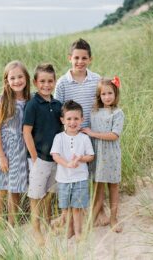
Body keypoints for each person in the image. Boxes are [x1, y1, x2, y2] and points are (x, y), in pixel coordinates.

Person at [54, 38, 108, 225]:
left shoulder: (96, 79)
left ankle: (98, 210)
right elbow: (58, 110)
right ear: (70, 58)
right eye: (76, 57)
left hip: (94, 133)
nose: (80, 61)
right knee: (71, 173)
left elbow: (103, 103)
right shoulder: (62, 83)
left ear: (90, 59)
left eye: (84, 58)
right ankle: (65, 213)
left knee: (96, 173)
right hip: (72, 137)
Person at [23, 63, 62, 246]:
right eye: (42, 81)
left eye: (50, 81)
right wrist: (34, 157)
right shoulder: (32, 104)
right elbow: (26, 132)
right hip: (38, 158)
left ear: (54, 81)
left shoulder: (57, 104)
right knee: (36, 195)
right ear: (36, 82)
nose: (46, 85)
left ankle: (47, 222)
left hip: (54, 158)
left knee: (50, 193)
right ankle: (36, 228)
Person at [0, 60, 30, 228]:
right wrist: (2, 156)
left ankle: (13, 225)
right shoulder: (4, 101)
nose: (17, 81)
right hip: (5, 150)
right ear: (7, 80)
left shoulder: (29, 100)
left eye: (20, 77)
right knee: (1, 189)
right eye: (12, 78)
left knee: (16, 189)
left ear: (26, 78)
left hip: (21, 150)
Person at [82, 76, 124, 232]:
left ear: (115, 94)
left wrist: (93, 134)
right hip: (97, 156)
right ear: (99, 96)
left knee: (113, 187)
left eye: (110, 93)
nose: (107, 97)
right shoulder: (94, 112)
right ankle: (92, 219)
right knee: (98, 188)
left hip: (111, 155)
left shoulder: (117, 113)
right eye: (103, 94)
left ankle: (114, 218)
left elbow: (114, 135)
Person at [50, 100, 94, 241]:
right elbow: (55, 155)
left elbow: (91, 156)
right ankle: (69, 230)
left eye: (76, 119)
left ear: (82, 119)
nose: (72, 122)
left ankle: (78, 232)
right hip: (63, 179)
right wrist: (67, 164)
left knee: (77, 208)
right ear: (62, 120)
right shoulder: (59, 137)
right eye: (69, 119)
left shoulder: (84, 138)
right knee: (66, 208)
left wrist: (80, 158)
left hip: (80, 178)